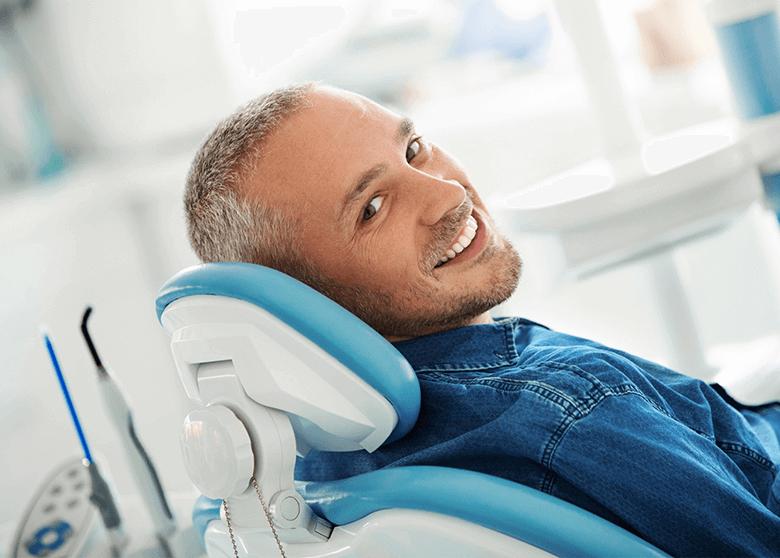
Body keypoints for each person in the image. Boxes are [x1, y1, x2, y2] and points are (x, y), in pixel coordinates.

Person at [184, 82, 780, 556]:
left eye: (413, 148)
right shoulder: (566, 406)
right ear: (307, 300)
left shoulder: (296, 471)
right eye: (371, 208)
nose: (446, 194)